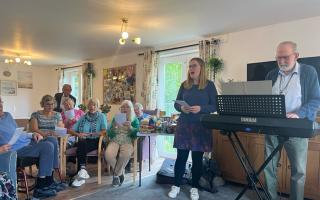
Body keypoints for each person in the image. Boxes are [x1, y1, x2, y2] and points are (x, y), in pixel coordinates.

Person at [264, 41, 320, 200]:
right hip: (272, 127)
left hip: (297, 127)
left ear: (296, 56)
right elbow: (265, 99)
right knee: (269, 167)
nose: (281, 61)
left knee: (298, 171)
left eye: (285, 57)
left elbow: (317, 99)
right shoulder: (271, 74)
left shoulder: (309, 72)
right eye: (278, 58)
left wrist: (300, 113)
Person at [168, 57, 217, 200]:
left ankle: (194, 187)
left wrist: (201, 108)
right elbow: (176, 104)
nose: (191, 69)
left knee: (197, 160)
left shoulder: (209, 85)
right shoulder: (184, 85)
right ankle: (176, 186)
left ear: (201, 67)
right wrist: (182, 107)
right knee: (181, 158)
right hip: (184, 125)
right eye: (189, 66)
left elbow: (215, 106)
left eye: (193, 66)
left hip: (200, 127)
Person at [0, 96, 64, 198]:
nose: (0, 105)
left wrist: (32, 135)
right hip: (14, 149)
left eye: (1, 102)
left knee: (52, 140)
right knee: (47, 146)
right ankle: (41, 186)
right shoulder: (36, 115)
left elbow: (19, 132)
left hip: (25, 142)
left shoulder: (7, 115)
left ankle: (49, 180)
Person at [68, 99, 107, 187]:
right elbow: (71, 130)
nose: (92, 107)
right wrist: (78, 134)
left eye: (94, 105)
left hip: (97, 140)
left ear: (97, 107)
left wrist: (93, 133)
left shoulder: (101, 116)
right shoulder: (83, 117)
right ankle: (82, 172)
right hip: (84, 140)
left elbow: (104, 132)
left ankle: (81, 171)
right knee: (81, 143)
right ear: (88, 106)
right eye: (90, 105)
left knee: (81, 145)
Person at [105, 100, 139, 187]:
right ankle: (120, 173)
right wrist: (114, 127)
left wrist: (131, 127)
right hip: (115, 139)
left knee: (125, 155)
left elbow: (137, 133)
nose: (125, 109)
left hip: (128, 140)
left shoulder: (134, 119)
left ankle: (116, 175)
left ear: (131, 108)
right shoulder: (116, 117)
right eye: (123, 107)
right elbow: (109, 133)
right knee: (108, 155)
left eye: (127, 107)